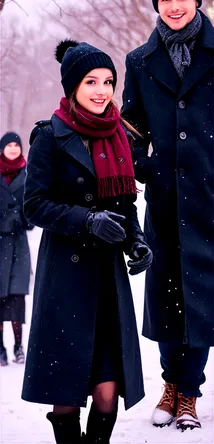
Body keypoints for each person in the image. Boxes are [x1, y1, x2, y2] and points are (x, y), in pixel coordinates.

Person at [21, 39, 153, 444]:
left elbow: (126, 202)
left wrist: (136, 240)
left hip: (107, 280)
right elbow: (35, 205)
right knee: (66, 394)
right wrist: (86, 219)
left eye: (108, 81)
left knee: (108, 392)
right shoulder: (50, 136)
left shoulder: (119, 136)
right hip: (66, 277)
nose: (102, 90)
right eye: (91, 81)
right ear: (72, 87)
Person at [122, 0, 214, 433]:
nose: (175, 6)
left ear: (195, 0)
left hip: (208, 198)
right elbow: (130, 125)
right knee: (166, 296)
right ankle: (169, 383)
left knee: (200, 296)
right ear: (155, 4)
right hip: (162, 198)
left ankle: (189, 393)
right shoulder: (140, 61)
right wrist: (145, 168)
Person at [0, 132, 33, 366]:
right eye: (8, 145)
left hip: (19, 246)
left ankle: (19, 347)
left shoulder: (29, 174)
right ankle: (1, 348)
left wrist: (20, 217)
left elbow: (34, 209)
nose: (13, 148)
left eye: (16, 145)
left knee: (17, 299)